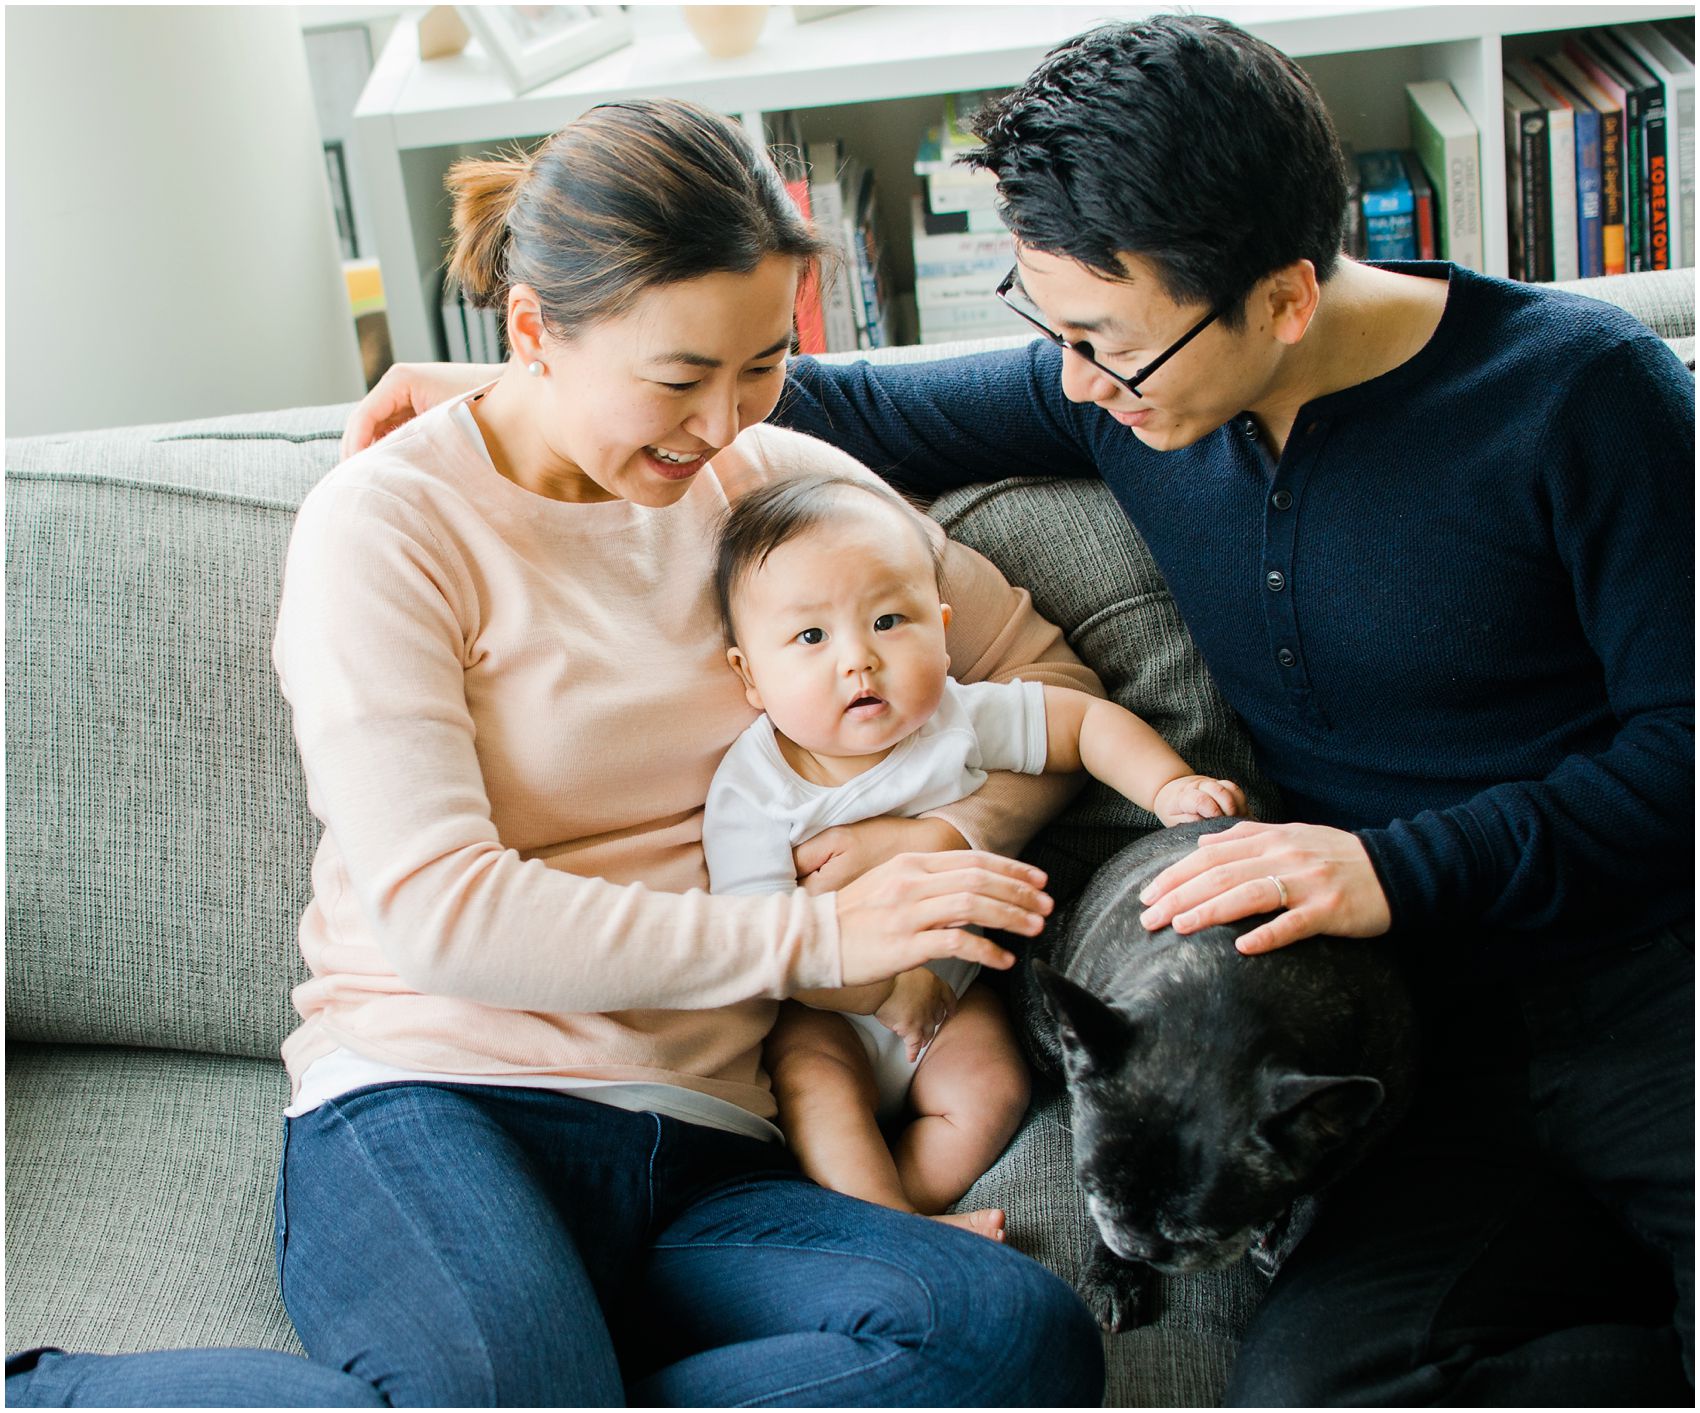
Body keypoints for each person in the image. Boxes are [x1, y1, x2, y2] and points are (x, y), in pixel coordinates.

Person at [341, 14, 1695, 1406]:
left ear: (1285, 300)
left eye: (1105, 343)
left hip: (1650, 983)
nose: (1071, 382)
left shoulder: (1582, 398)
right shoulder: (1133, 388)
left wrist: (1388, 866)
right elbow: (850, 407)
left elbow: (1689, 758)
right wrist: (544, 387)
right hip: (1397, 1049)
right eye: (1045, 323)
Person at [4, 98, 1110, 1408]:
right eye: (679, 376)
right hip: (440, 1100)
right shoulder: (393, 527)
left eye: (761, 363)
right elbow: (442, 913)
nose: (722, 423)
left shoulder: (776, 489)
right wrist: (813, 942)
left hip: (711, 1148)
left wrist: (939, 839)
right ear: (532, 330)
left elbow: (1047, 681)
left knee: (1005, 1338)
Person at [706, 470, 1246, 1242]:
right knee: (814, 1089)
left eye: (890, 620)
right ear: (749, 676)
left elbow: (1083, 725)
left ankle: (912, 1209)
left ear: (942, 626)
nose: (859, 660)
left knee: (995, 1084)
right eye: (811, 637)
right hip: (829, 1013)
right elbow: (767, 941)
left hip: (955, 997)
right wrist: (885, 995)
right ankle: (896, 1229)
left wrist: (1170, 787)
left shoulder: (955, 718)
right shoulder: (755, 786)